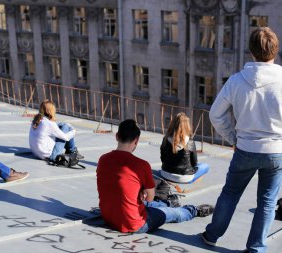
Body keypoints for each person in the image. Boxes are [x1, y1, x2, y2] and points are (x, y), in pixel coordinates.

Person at [202, 27, 282, 253]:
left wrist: (233, 137)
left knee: (230, 193)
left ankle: (211, 235)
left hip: (245, 147)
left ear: (251, 52)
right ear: (275, 51)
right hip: (276, 151)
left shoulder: (236, 80)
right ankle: (256, 248)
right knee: (267, 202)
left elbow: (215, 114)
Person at [96, 119, 214, 233]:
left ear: (117, 136)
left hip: (108, 218)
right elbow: (149, 198)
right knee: (172, 214)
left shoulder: (103, 159)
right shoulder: (141, 165)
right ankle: (193, 211)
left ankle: (169, 203)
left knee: (144, 203)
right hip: (135, 224)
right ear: (136, 141)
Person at [160, 112, 209, 183]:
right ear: (186, 125)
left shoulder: (166, 138)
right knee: (205, 166)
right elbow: (194, 163)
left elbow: (163, 158)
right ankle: (190, 181)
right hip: (183, 177)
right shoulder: (190, 141)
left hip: (165, 173)